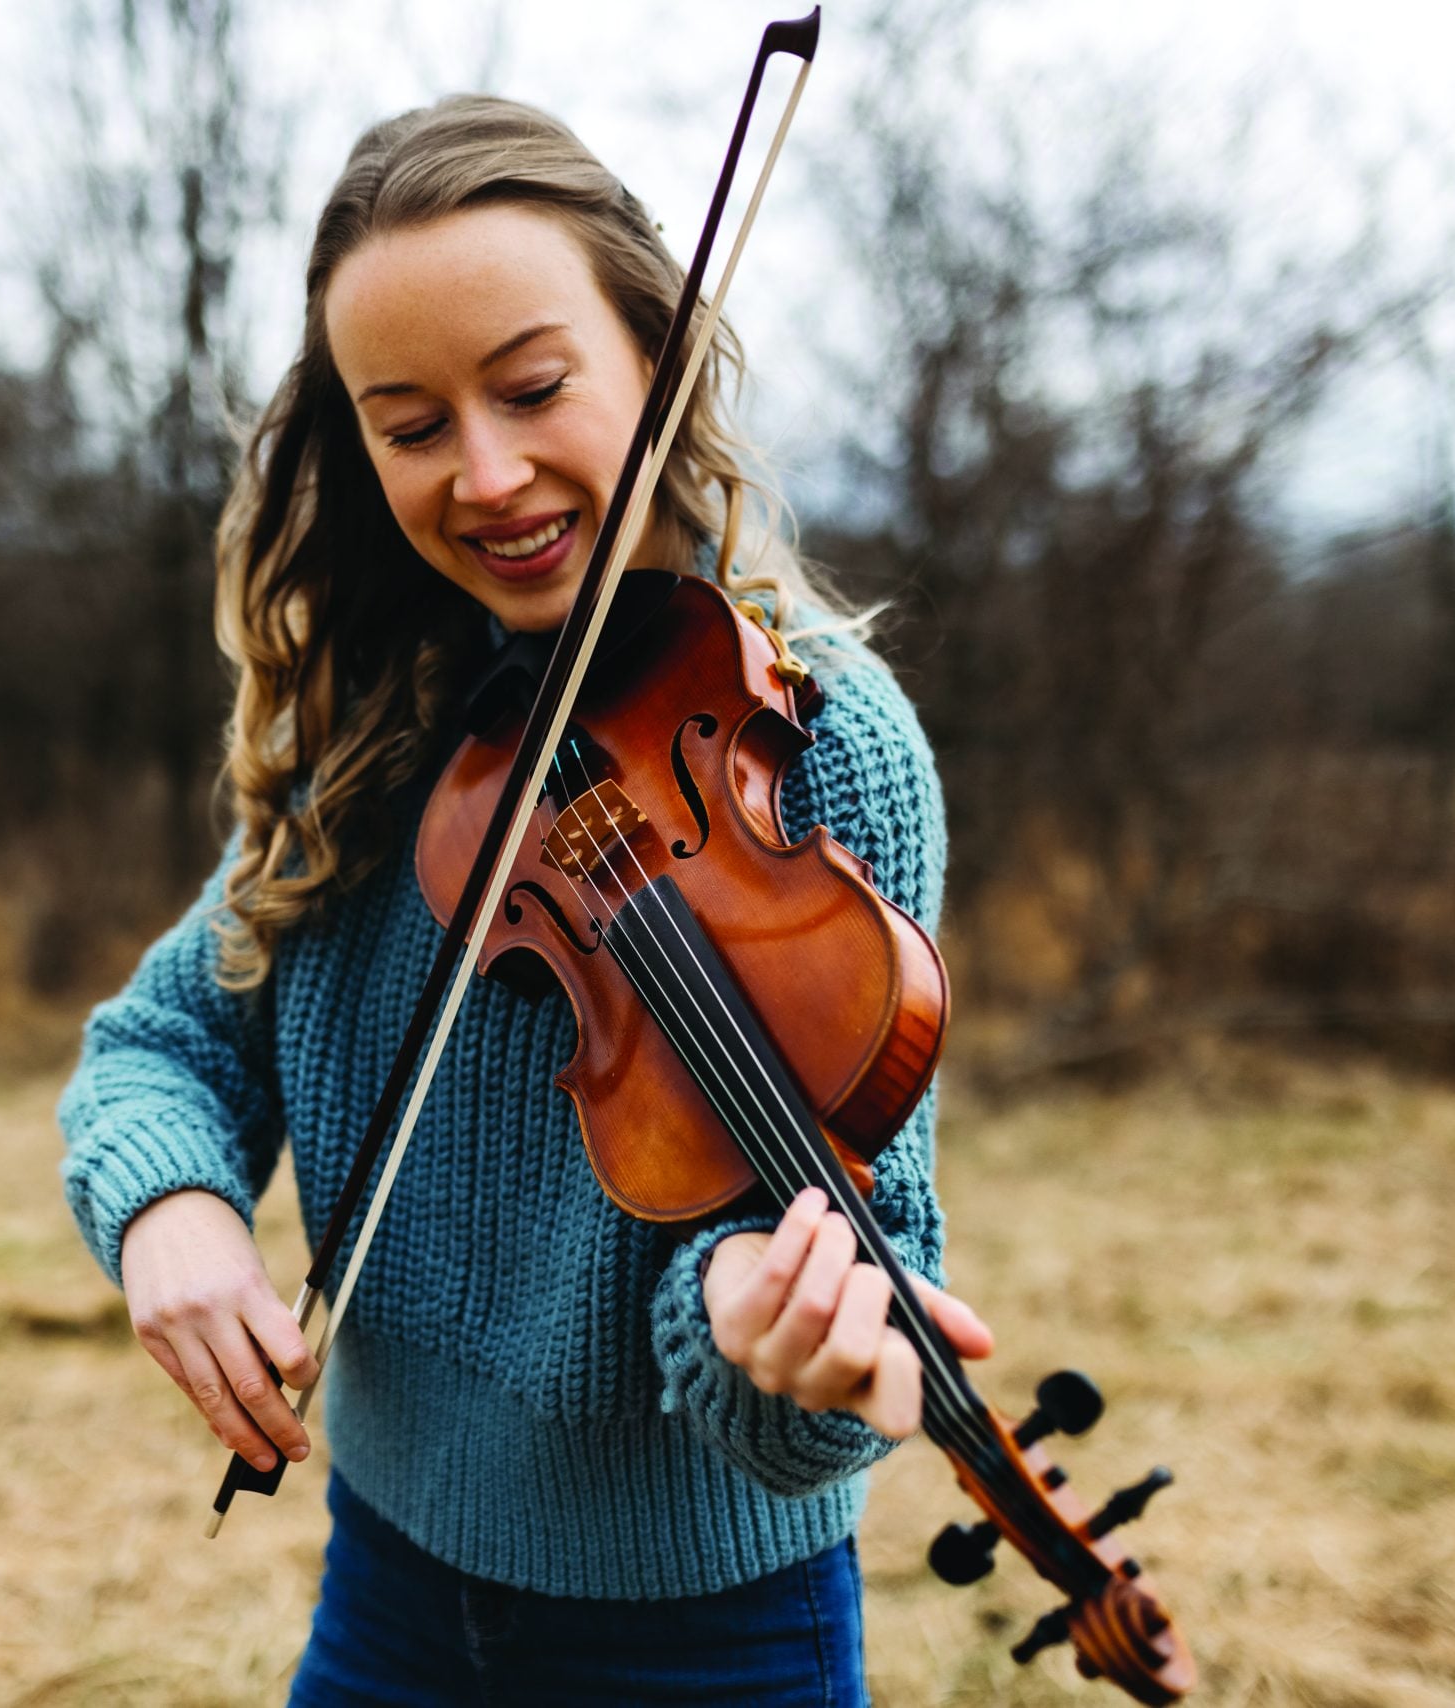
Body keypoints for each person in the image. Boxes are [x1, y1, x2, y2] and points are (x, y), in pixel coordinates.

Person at [58, 93, 993, 1706]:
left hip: (711, 1636)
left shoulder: (819, 740)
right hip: (391, 1587)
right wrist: (173, 1213)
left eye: (536, 388)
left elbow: (857, 1258)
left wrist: (768, 1341)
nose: (487, 473)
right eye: (412, 425)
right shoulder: (387, 725)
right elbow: (162, 1045)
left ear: (656, 352)